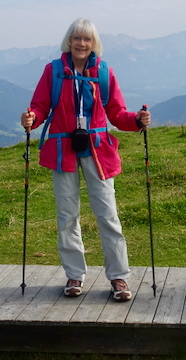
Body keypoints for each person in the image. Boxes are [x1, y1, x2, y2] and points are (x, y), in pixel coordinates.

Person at [20, 18, 152, 302]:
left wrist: (137, 121)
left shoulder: (103, 72)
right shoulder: (53, 71)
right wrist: (31, 118)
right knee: (67, 216)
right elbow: (41, 106)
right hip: (62, 148)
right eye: (77, 38)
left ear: (94, 44)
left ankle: (119, 278)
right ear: (69, 40)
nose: (81, 43)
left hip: (98, 149)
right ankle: (74, 275)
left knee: (108, 214)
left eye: (87, 39)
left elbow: (116, 112)